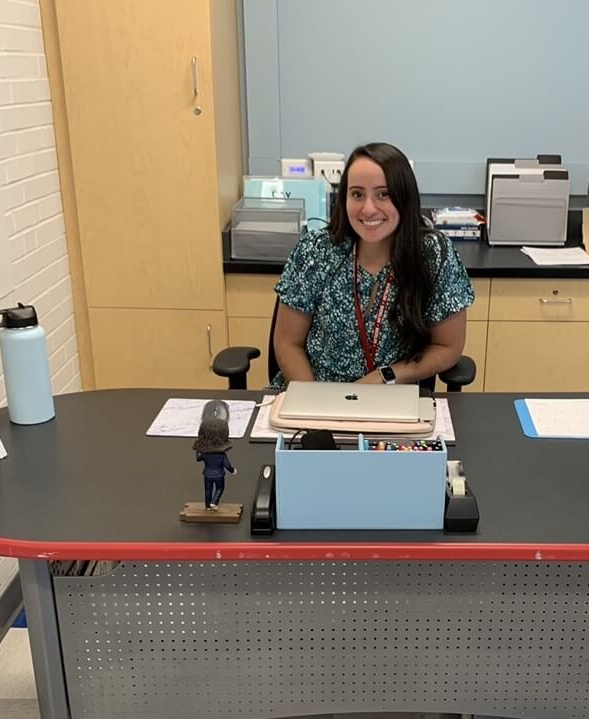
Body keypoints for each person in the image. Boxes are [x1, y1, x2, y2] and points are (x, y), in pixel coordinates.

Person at [271, 142, 474, 388]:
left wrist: (385, 376)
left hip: (392, 396)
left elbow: (448, 347)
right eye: (357, 194)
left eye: (383, 194)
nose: (368, 209)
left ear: (404, 197)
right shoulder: (316, 250)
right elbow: (287, 343)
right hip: (313, 392)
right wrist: (317, 401)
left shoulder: (433, 255)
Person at [192, 415, 236, 510]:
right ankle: (214, 502)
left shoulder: (205, 453)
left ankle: (208, 506)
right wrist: (233, 471)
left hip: (207, 474)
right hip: (219, 474)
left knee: (208, 490)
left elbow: (198, 458)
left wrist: (198, 449)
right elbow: (227, 465)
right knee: (220, 488)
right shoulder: (221, 455)